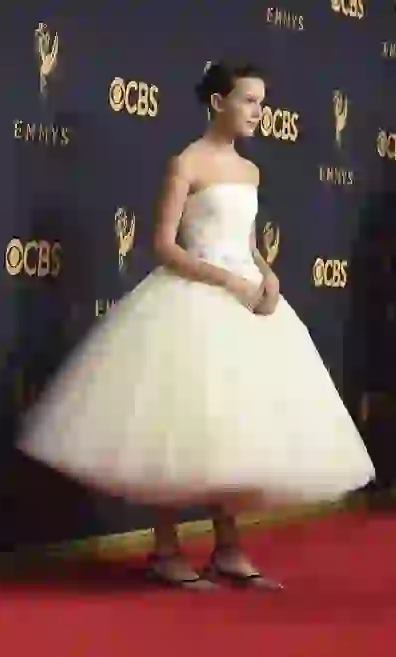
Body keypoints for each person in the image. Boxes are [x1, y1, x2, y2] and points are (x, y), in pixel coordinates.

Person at [20, 62, 375, 587]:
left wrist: (268, 275)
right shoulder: (185, 163)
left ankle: (228, 547)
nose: (260, 112)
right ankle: (166, 550)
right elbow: (164, 246)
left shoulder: (252, 172)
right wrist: (228, 282)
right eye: (249, 101)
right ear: (218, 103)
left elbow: (248, 244)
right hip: (193, 300)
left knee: (230, 428)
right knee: (176, 426)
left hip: (248, 301)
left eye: (262, 101)